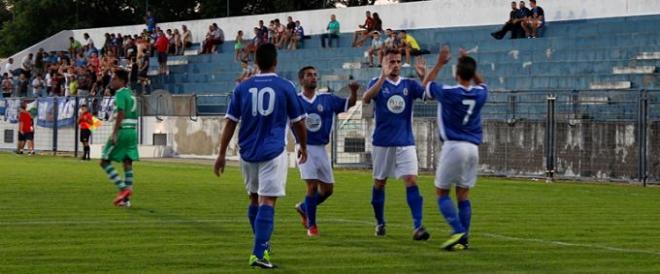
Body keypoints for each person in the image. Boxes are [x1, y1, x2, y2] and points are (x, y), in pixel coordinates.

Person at [213, 43, 308, 269]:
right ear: (276, 61)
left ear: (256, 62)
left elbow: (230, 123)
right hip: (273, 151)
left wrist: (221, 154)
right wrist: (303, 145)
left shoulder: (242, 88)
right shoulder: (285, 86)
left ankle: (261, 244)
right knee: (268, 201)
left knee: (255, 198)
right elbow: (298, 122)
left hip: (247, 152)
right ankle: (259, 253)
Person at [422, 46, 488, 251]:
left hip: (453, 146)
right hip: (473, 149)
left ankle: (458, 230)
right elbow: (482, 82)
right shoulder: (480, 94)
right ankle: (464, 238)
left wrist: (440, 63)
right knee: (463, 195)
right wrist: (468, 62)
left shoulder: (448, 92)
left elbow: (426, 85)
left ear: (457, 73)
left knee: (442, 192)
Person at [362, 48, 429, 240]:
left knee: (411, 180)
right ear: (382, 64)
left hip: (406, 142)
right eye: (391, 62)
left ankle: (418, 226)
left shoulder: (409, 84)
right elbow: (366, 98)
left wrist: (424, 77)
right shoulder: (376, 83)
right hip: (383, 143)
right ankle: (380, 222)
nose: (396, 65)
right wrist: (382, 78)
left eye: (398, 62)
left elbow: (428, 94)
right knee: (380, 183)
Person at [293, 66, 358, 237]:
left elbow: (349, 103)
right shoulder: (295, 101)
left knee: (327, 190)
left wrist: (353, 92)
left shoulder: (327, 99)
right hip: (304, 148)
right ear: (301, 80)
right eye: (309, 75)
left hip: (322, 149)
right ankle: (312, 227)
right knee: (312, 186)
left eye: (315, 75)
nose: (313, 77)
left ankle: (303, 207)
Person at [99, 69, 139, 207]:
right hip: (132, 132)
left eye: (114, 79)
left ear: (121, 81)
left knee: (104, 161)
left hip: (122, 131)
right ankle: (126, 201)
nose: (112, 81)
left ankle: (123, 189)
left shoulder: (120, 93)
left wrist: (115, 133)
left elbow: (121, 112)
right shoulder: (131, 94)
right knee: (127, 163)